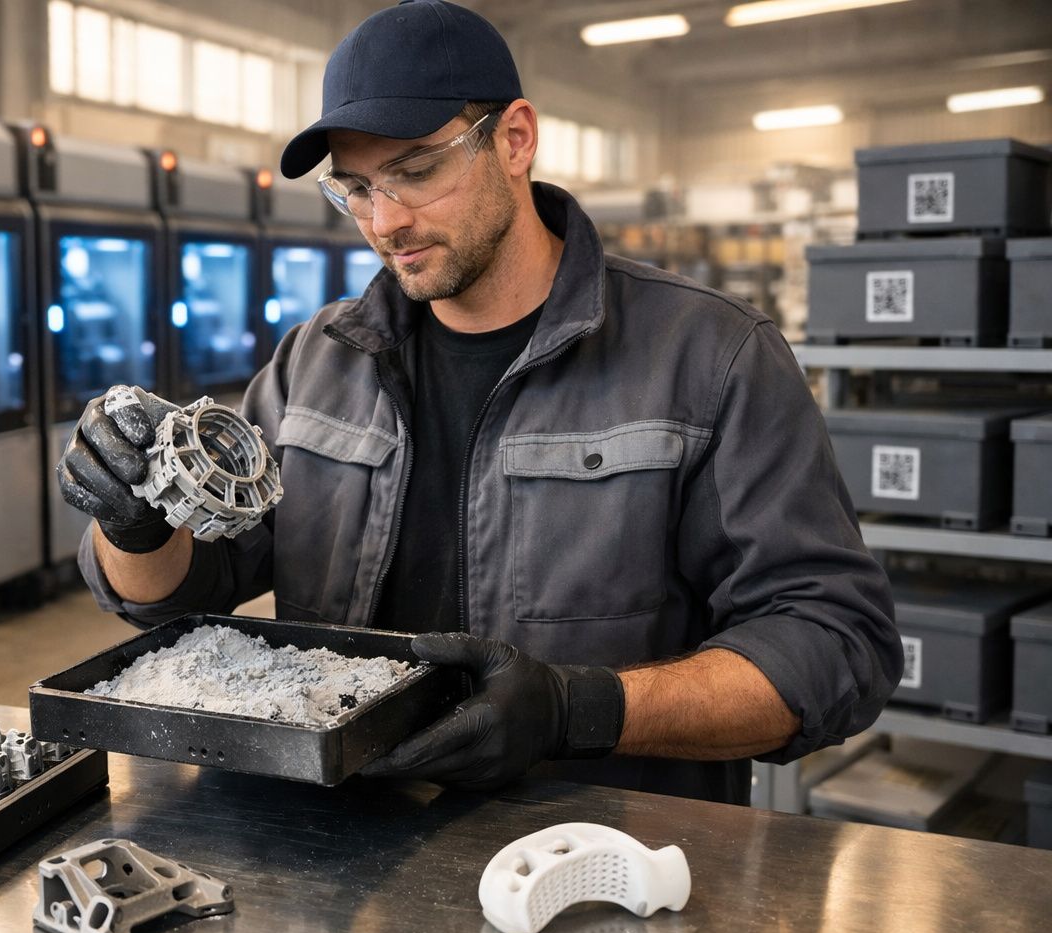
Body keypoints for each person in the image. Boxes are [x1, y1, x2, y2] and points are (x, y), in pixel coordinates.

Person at [56, 0, 902, 803]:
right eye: (354, 189)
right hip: (337, 853)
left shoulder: (710, 358)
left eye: (415, 170)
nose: (384, 220)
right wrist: (137, 524)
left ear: (516, 140)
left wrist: (582, 711)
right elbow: (184, 596)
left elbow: (835, 645)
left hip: (594, 862)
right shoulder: (317, 362)